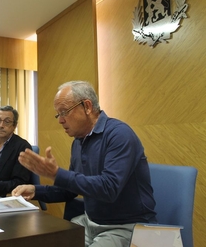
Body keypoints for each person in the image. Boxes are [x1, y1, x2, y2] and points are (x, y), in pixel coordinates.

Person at [12, 81, 157, 247]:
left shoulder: (119, 135)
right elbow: (70, 191)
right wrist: (36, 190)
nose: (60, 120)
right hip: (90, 222)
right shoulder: (79, 142)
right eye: (58, 114)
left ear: (87, 106)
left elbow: (109, 189)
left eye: (64, 112)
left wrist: (56, 174)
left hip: (126, 226)